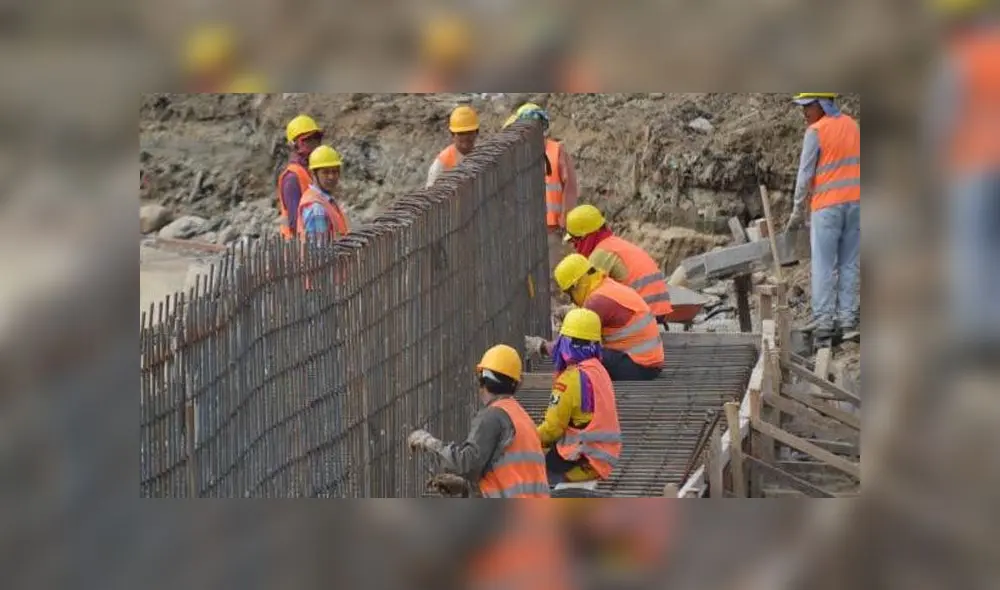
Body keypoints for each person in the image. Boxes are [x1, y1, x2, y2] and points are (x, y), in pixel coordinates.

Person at [927, 0, 1000, 354]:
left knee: (972, 250)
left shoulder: (961, 58)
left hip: (972, 165)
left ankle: (978, 338)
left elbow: (942, 119)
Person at [407, 344, 550, 498]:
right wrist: (465, 487)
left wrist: (428, 443)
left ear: (483, 382)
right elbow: (512, 476)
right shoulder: (521, 416)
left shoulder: (493, 416)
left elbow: (466, 464)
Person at [784, 92, 861, 346]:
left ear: (822, 105)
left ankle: (824, 325)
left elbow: (804, 175)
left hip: (827, 206)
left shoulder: (816, 131)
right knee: (849, 263)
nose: (803, 112)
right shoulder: (853, 126)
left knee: (824, 265)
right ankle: (848, 323)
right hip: (856, 204)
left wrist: (797, 211)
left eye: (807, 106)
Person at [527, 254, 664, 381]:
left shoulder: (597, 301)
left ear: (576, 285)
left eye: (570, 294)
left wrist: (541, 346)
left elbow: (571, 345)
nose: (572, 300)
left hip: (638, 366)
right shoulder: (605, 286)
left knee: (581, 351)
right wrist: (571, 311)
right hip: (647, 362)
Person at [536, 308, 621, 486]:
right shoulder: (598, 369)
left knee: (531, 474)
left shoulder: (569, 380)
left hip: (583, 459)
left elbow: (552, 430)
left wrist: (526, 437)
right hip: (604, 455)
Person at [563, 204, 674, 326]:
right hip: (656, 310)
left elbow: (589, 300)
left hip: (642, 314)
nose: (574, 246)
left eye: (574, 240)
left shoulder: (601, 254)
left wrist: (568, 313)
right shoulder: (614, 244)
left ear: (585, 236)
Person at [278, 115, 325, 239]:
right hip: (303, 248)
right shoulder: (292, 178)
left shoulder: (313, 172)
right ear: (295, 145)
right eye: (308, 140)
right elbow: (295, 222)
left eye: (317, 139)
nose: (315, 144)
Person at [296, 145, 349, 241]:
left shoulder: (325, 200)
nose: (331, 177)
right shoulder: (316, 207)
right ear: (313, 174)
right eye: (325, 172)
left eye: (335, 171)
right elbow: (320, 249)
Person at [426, 105, 480, 187]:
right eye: (461, 133)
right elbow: (431, 194)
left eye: (469, 132)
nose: (465, 137)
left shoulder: (480, 155)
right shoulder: (441, 163)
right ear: (452, 134)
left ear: (477, 132)